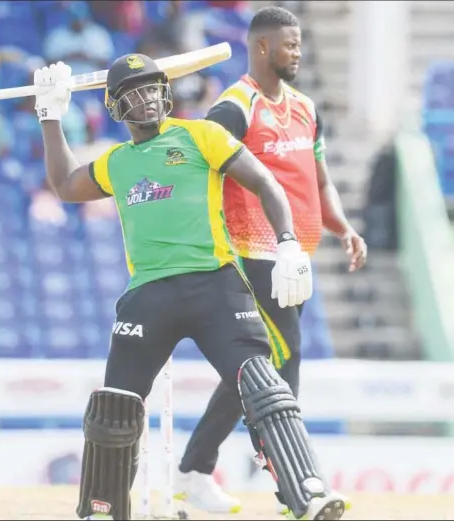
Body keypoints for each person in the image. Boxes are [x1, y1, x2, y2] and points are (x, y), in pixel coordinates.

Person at [33, 53, 346, 521]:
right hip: (149, 295)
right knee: (115, 405)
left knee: (262, 382)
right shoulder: (117, 162)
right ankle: (102, 508)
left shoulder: (201, 134)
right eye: (135, 92)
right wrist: (50, 115)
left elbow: (266, 184)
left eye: (155, 87)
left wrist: (287, 246)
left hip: (215, 286)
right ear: (116, 108)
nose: (150, 98)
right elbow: (64, 184)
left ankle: (306, 492)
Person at [176, 5, 367, 515]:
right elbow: (204, 175)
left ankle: (193, 470)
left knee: (254, 369)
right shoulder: (235, 108)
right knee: (287, 359)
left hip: (295, 259)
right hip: (251, 255)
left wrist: (342, 226)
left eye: (301, 43)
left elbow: (318, 179)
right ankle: (295, 484)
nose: (298, 52)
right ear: (261, 47)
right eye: (290, 44)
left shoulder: (306, 107)